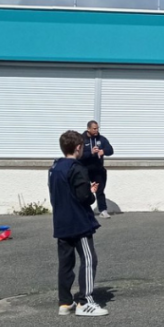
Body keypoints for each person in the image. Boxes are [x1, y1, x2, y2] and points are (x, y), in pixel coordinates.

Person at [49, 130, 106, 316]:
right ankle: (85, 302)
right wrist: (91, 192)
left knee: (65, 264)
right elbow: (84, 198)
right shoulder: (78, 168)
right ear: (79, 147)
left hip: (61, 222)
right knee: (89, 260)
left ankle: (65, 303)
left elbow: (58, 194)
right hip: (79, 223)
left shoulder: (54, 168)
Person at [80, 120, 114, 219]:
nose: (96, 130)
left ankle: (103, 210)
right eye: (94, 128)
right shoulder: (81, 139)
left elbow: (111, 150)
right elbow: (79, 155)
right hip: (84, 169)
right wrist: (90, 152)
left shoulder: (101, 139)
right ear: (88, 129)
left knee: (100, 190)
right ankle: (83, 211)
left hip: (97, 170)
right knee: (83, 191)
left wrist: (103, 151)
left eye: (97, 128)